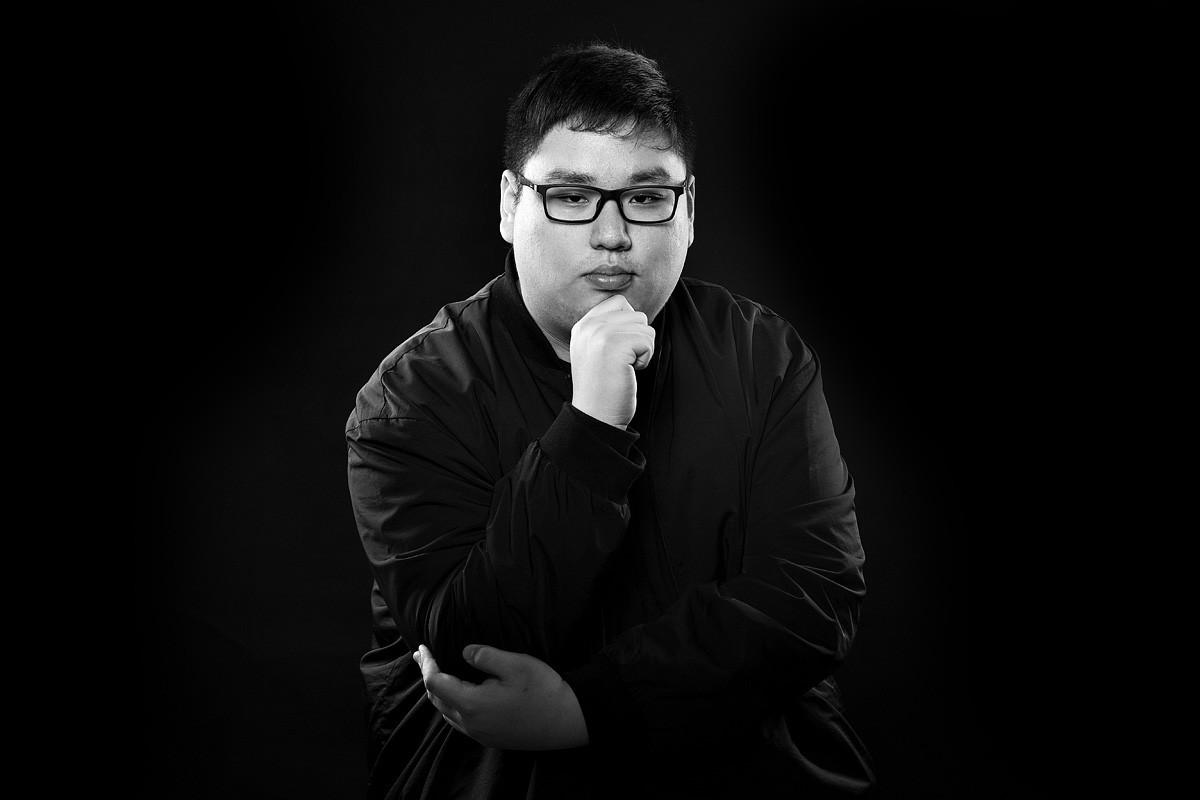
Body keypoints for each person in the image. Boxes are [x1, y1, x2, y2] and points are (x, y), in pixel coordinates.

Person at [346, 41, 875, 799]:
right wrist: (590, 426)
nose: (612, 234)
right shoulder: (412, 397)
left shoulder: (764, 357)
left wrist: (589, 710)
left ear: (688, 209)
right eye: (571, 195)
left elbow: (813, 597)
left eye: (647, 197)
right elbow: (473, 647)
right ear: (510, 205)